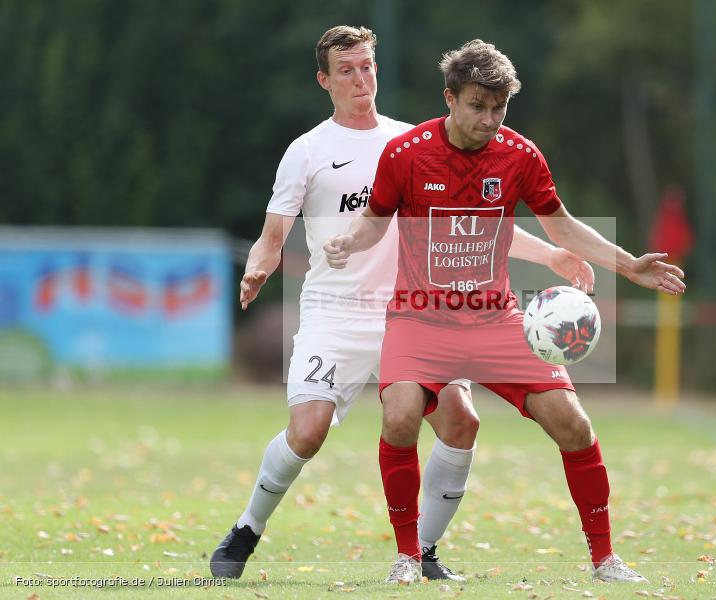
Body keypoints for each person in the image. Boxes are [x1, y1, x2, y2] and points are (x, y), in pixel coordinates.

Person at [210, 26, 598, 581]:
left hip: (415, 313)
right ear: (324, 81)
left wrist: (551, 256)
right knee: (308, 431)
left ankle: (424, 552)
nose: (360, 77)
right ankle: (247, 529)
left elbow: (472, 225)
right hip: (336, 311)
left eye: (366, 65)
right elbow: (273, 236)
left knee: (461, 422)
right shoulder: (308, 151)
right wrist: (257, 267)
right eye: (346, 70)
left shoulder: (412, 141)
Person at [324, 39, 685, 584]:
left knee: (574, 425)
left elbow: (560, 225)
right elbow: (375, 219)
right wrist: (350, 241)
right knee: (399, 417)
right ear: (450, 98)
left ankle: (606, 559)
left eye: (499, 107)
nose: (489, 119)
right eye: (477, 105)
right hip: (420, 319)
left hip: (496, 319)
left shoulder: (519, 155)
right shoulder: (406, 153)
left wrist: (629, 265)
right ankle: (407, 556)